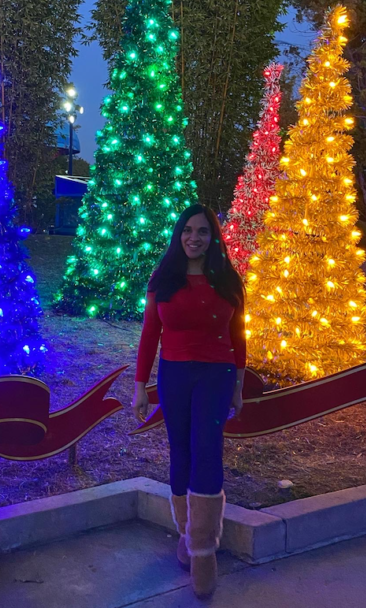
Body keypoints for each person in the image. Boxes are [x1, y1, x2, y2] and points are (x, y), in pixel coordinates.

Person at [132, 203, 246, 599]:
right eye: (187, 230)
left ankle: (203, 553)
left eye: (202, 231)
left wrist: (238, 385)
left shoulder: (227, 280)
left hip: (216, 376)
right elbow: (150, 334)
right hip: (175, 376)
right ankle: (186, 534)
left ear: (212, 238)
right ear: (179, 235)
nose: (193, 237)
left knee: (207, 452)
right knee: (179, 452)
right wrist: (139, 386)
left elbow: (239, 335)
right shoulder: (163, 278)